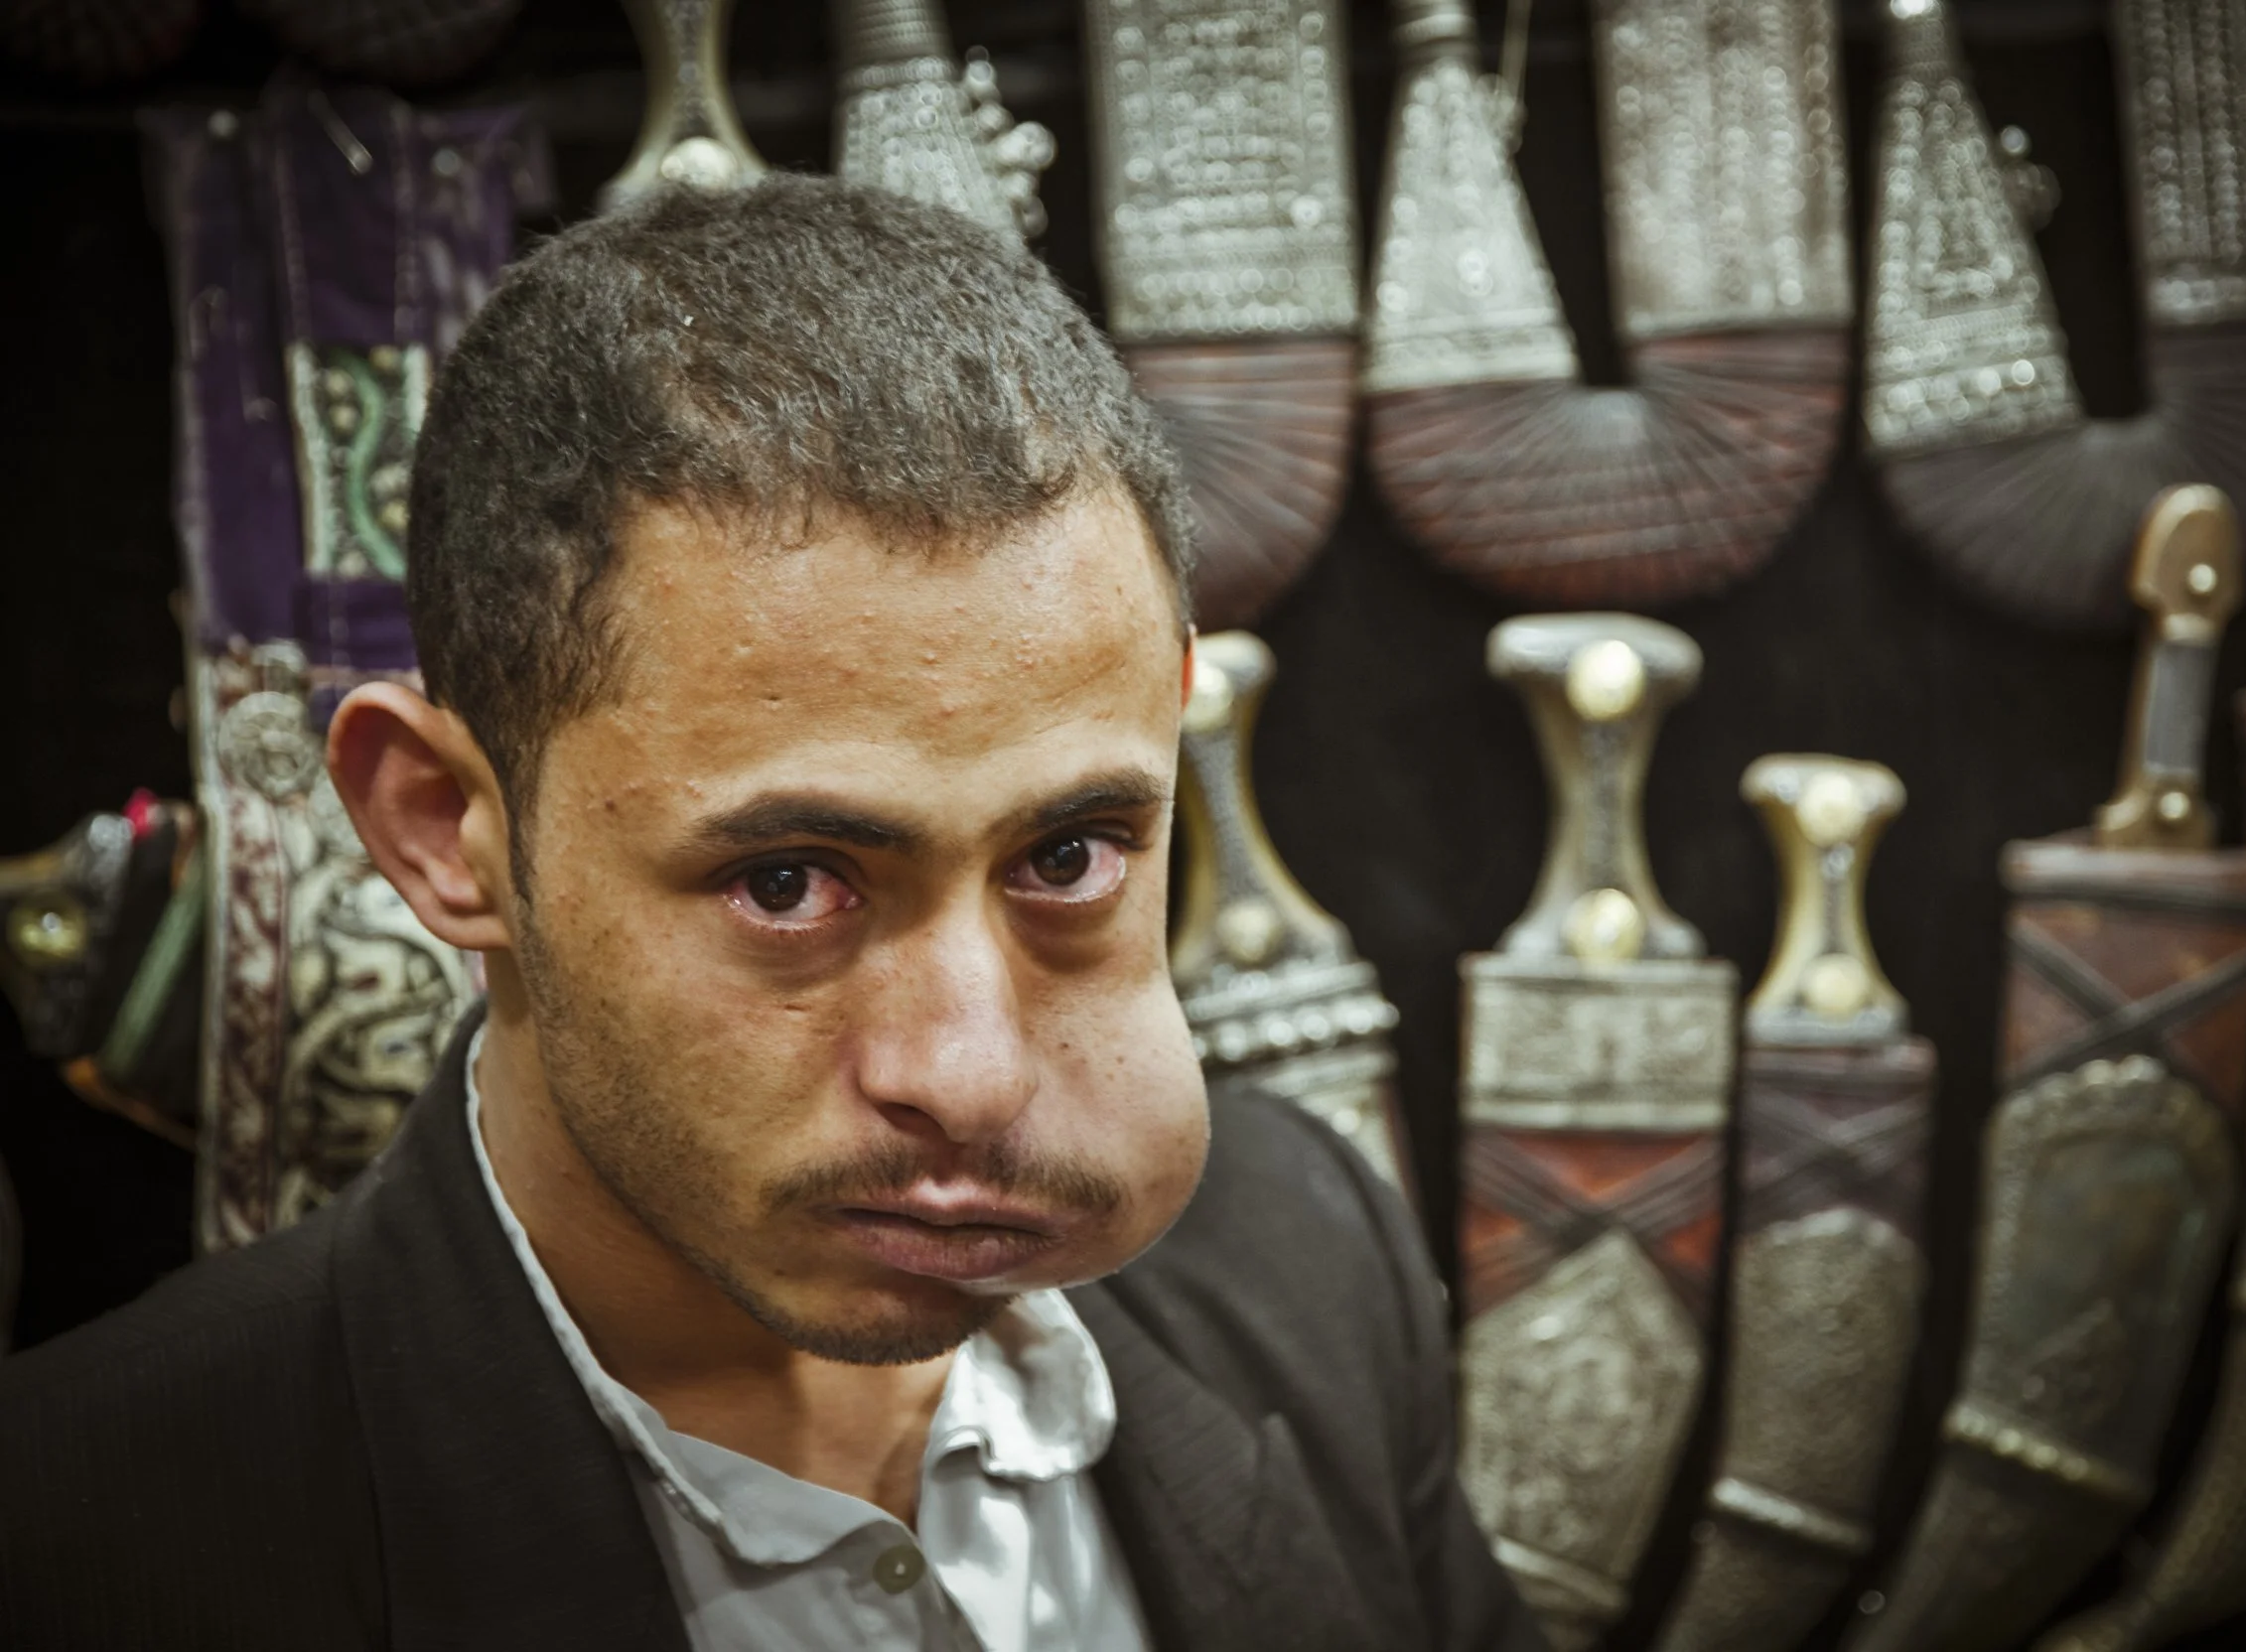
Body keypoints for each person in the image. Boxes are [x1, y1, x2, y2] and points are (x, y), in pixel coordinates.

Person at [0, 176, 1543, 1652]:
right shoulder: (82, 1548)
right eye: (787, 883)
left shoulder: (1297, 1253)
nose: (972, 1075)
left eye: (1068, 854)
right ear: (443, 829)